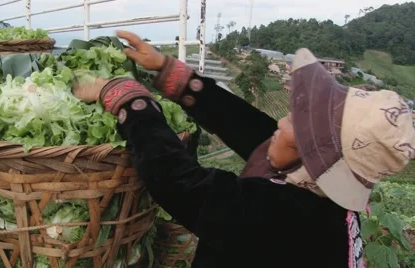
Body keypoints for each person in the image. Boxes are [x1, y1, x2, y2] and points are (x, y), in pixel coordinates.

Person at [73, 30, 415, 268]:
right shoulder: (323, 190)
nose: (279, 125)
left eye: (295, 125)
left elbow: (176, 181)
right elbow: (254, 129)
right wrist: (170, 73)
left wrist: (128, 98)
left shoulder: (281, 217)